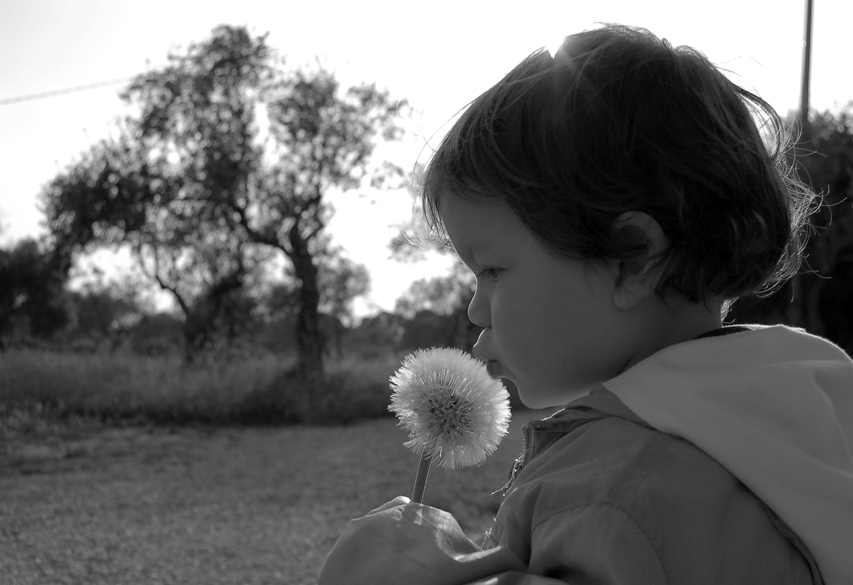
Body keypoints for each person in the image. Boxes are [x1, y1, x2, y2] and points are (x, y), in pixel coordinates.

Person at [319, 24, 853, 585]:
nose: (477, 309)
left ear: (630, 259)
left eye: (493, 270)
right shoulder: (809, 411)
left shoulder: (616, 491)